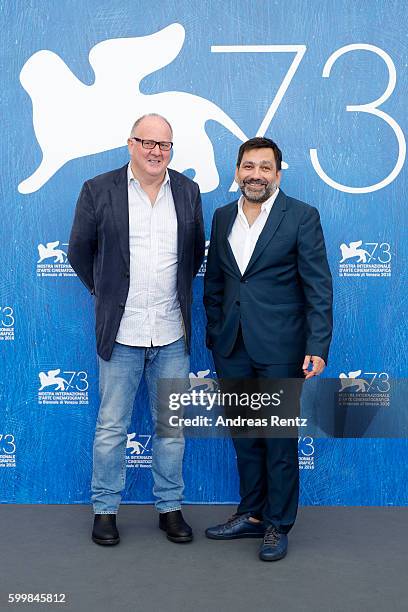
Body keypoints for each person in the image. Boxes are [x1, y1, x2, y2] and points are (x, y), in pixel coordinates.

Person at [68, 113, 205, 546]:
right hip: (122, 332)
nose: (155, 151)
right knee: (111, 425)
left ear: (171, 149)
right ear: (131, 144)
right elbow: (78, 252)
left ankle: (170, 507)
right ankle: (105, 510)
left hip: (171, 332)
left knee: (172, 427)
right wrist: (105, 292)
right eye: (146, 142)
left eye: (163, 144)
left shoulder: (187, 191)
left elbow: (193, 255)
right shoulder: (98, 189)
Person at [203, 137, 332, 561]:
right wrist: (215, 332)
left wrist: (317, 343)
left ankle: (278, 524)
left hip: (281, 347)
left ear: (278, 173)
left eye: (264, 167)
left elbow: (318, 286)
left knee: (277, 439)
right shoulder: (222, 217)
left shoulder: (301, 217)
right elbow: (217, 283)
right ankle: (252, 515)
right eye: (247, 166)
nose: (255, 174)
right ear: (237, 171)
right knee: (245, 437)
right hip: (231, 346)